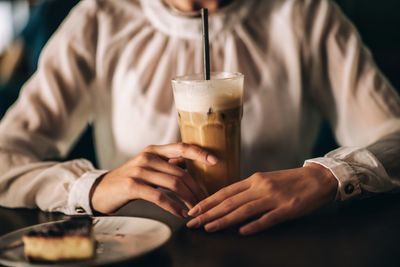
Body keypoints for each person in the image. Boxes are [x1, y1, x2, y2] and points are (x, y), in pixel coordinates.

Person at [0, 0, 399, 235]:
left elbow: (393, 135)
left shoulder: (304, 13)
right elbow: (6, 154)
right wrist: (93, 186)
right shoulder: (100, 17)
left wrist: (328, 176)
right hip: (138, 250)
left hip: (277, 245)